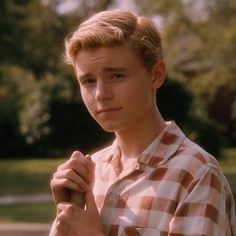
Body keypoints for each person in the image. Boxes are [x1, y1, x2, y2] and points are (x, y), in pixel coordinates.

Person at [49, 9, 236, 236]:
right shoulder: (89, 173)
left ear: (156, 75)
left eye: (116, 75)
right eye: (88, 80)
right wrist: (66, 213)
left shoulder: (195, 174)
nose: (100, 94)